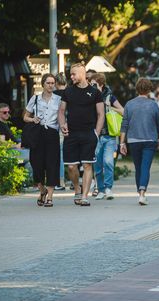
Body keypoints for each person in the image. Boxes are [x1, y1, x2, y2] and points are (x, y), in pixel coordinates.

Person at [58, 62, 105, 207]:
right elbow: (61, 111)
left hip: (88, 134)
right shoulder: (68, 91)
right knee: (71, 167)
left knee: (87, 165)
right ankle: (77, 189)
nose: (71, 76)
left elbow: (101, 114)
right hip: (71, 134)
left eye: (74, 74)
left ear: (82, 74)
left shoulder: (95, 92)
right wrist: (62, 125)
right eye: (70, 74)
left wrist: (96, 133)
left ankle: (84, 196)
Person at [119, 78, 159, 205]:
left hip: (133, 140)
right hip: (150, 140)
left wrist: (122, 142)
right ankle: (142, 193)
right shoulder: (153, 105)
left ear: (137, 88)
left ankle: (140, 192)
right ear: (149, 89)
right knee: (145, 167)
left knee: (138, 167)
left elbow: (124, 124)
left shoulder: (129, 104)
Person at [23, 74, 61, 207]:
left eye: (53, 83)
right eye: (48, 83)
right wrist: (33, 119)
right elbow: (25, 117)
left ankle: (50, 196)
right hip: (38, 133)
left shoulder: (59, 99)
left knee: (52, 164)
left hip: (52, 133)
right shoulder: (36, 98)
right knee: (36, 163)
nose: (51, 85)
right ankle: (42, 190)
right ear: (43, 84)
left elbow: (62, 117)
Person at [89, 73, 124, 200]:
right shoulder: (90, 96)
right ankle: (101, 190)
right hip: (95, 135)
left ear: (101, 84)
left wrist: (110, 107)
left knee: (108, 162)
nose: (91, 86)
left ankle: (108, 188)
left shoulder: (109, 96)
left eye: (94, 84)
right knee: (97, 165)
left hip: (109, 135)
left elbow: (123, 111)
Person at [54, 73, 68, 191]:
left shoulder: (54, 95)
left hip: (58, 125)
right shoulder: (71, 93)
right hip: (72, 124)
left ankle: (61, 181)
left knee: (60, 154)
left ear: (56, 84)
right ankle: (75, 182)